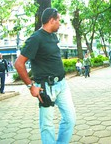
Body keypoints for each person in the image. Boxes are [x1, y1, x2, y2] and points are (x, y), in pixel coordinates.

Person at [14, 8, 76, 144]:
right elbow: (18, 64)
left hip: (62, 85)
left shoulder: (53, 36)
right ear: (51, 20)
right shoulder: (36, 38)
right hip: (46, 88)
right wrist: (31, 87)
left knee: (70, 118)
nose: (60, 23)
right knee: (47, 125)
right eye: (58, 20)